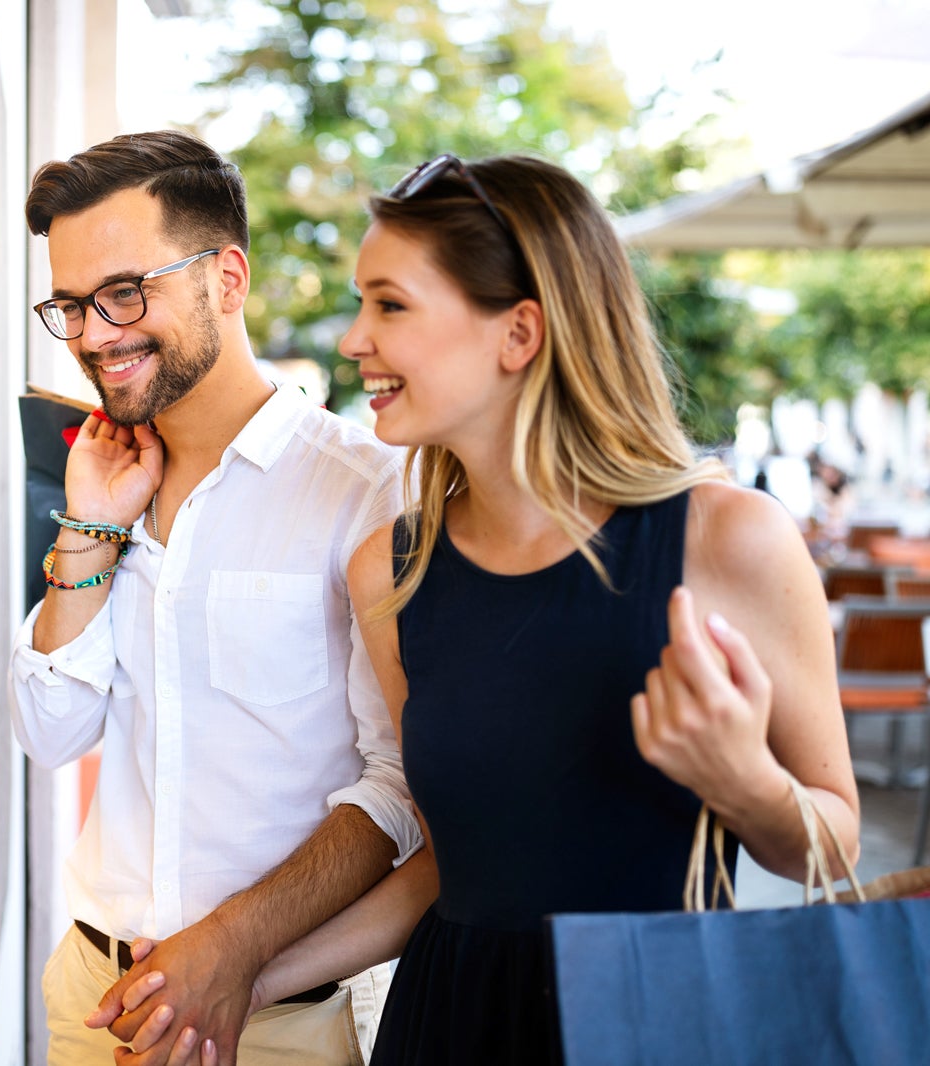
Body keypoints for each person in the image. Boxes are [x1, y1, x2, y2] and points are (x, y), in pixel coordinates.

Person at [131, 152, 860, 1066]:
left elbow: (831, 842)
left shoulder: (727, 539)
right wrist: (243, 978)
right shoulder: (389, 573)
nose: (355, 340)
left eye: (390, 305)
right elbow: (448, 867)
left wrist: (747, 784)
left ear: (518, 333)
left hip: (653, 1025)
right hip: (448, 1027)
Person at [8, 129, 434, 1066]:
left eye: (125, 292)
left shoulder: (367, 492)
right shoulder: (106, 476)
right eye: (71, 306)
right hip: (92, 993)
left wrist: (235, 946)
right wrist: (91, 525)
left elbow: (403, 785)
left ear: (227, 279)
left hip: (274, 1016)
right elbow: (49, 731)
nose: (94, 336)